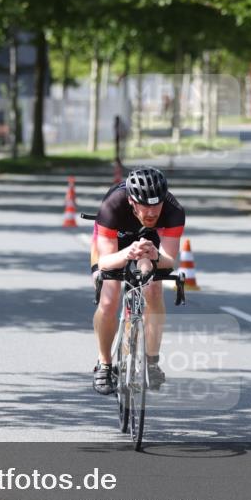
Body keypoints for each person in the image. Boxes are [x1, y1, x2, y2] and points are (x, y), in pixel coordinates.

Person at [90, 167, 184, 395]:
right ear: (132, 200)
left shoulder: (173, 210)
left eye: (156, 205)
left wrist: (154, 256)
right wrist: (126, 254)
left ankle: (151, 361)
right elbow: (104, 261)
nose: (151, 212)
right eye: (145, 205)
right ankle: (104, 365)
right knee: (109, 299)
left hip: (149, 244)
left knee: (153, 290)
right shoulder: (112, 205)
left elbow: (169, 260)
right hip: (115, 245)